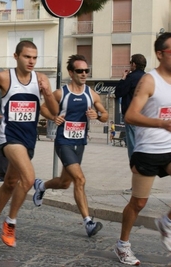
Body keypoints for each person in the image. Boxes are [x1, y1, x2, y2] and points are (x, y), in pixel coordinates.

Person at [0, 40, 58, 247]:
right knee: (29, 178)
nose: (31, 61)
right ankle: (11, 223)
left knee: (10, 183)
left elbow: (55, 111)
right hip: (9, 136)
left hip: (29, 137)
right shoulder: (4, 77)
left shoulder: (41, 79)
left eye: (34, 57)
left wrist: (48, 93)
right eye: (27, 57)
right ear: (16, 57)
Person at [33, 54, 108, 237]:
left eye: (86, 70)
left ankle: (41, 186)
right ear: (71, 72)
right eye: (79, 71)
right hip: (63, 142)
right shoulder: (62, 93)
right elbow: (43, 107)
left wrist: (97, 116)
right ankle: (88, 222)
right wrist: (53, 118)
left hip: (80, 142)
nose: (84, 74)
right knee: (80, 179)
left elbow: (105, 115)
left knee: (65, 183)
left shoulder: (91, 94)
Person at [113, 32, 171, 266]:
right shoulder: (150, 80)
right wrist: (162, 123)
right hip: (148, 149)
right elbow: (130, 115)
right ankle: (122, 244)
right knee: (138, 203)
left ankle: (166, 222)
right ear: (160, 54)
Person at [115, 54, 147, 195]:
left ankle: (137, 187)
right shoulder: (148, 78)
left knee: (133, 151)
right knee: (144, 150)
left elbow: (118, 93)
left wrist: (123, 78)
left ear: (134, 64)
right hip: (146, 119)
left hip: (132, 118)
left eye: (130, 63)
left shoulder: (131, 77)